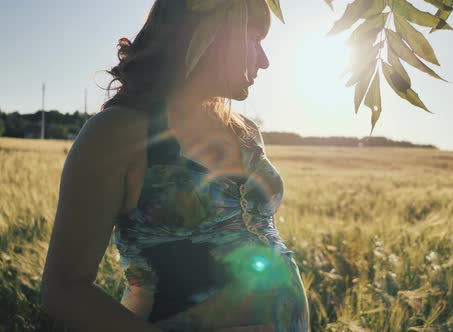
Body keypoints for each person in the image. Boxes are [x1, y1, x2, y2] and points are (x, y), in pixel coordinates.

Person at [40, 1, 310, 331]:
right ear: (208, 33)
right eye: (254, 39)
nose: (264, 61)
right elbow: (63, 289)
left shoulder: (245, 131)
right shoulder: (117, 133)